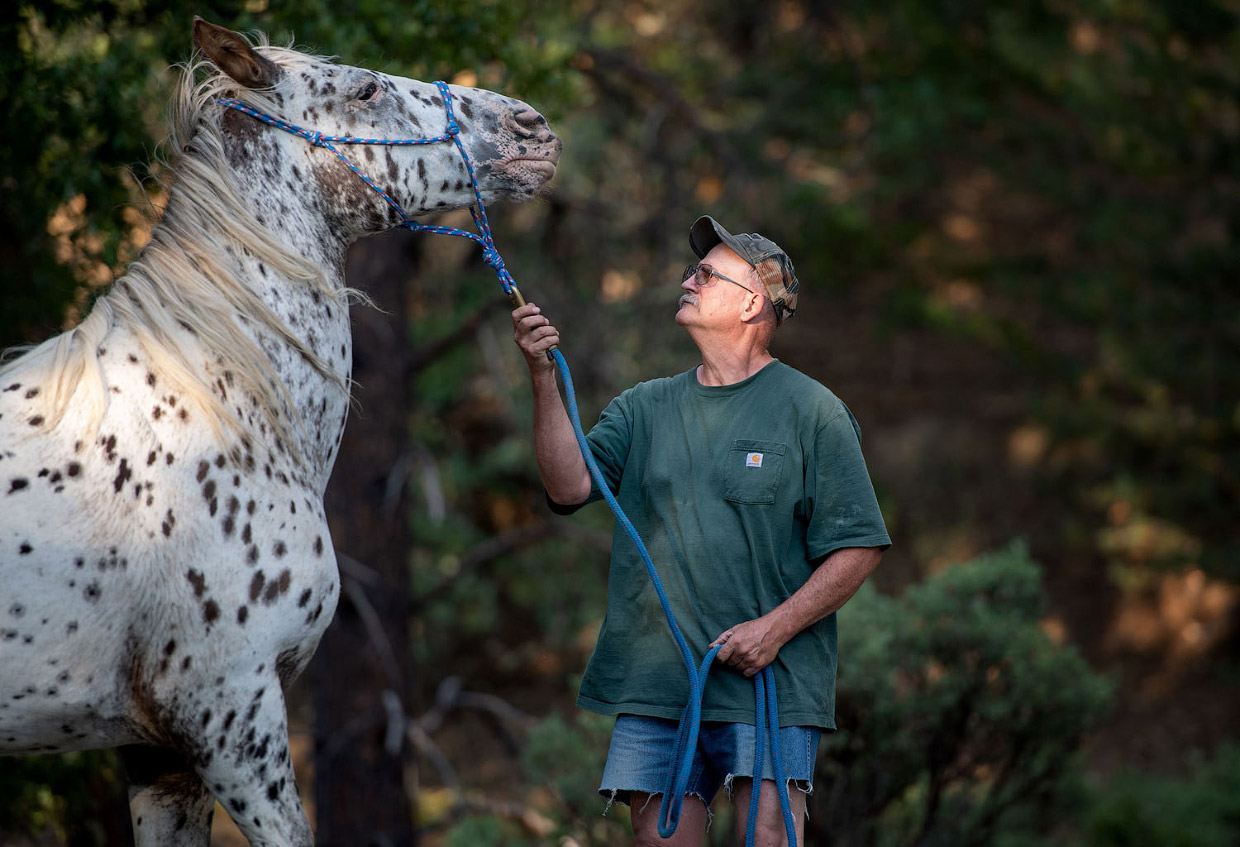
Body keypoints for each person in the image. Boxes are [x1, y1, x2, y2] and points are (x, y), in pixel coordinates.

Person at [511, 216, 891, 846]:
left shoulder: (813, 412)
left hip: (771, 681)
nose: (687, 280)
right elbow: (567, 487)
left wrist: (774, 631)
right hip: (657, 685)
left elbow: (860, 546)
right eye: (693, 270)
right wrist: (541, 377)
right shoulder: (643, 406)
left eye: (705, 273)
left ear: (751, 303)